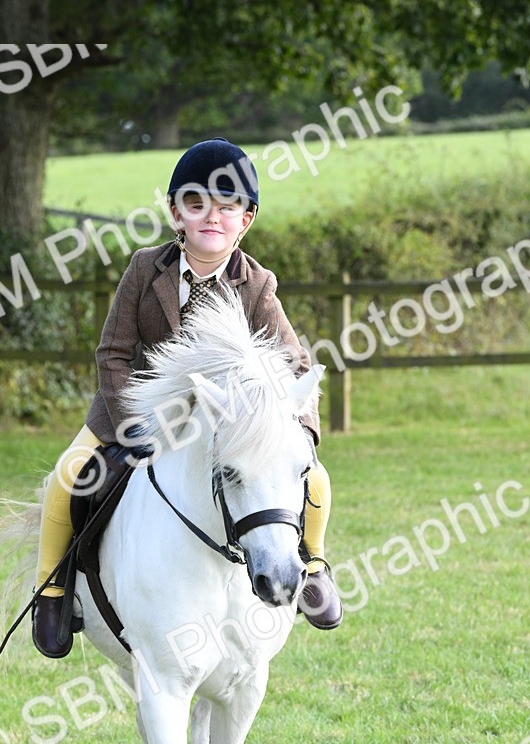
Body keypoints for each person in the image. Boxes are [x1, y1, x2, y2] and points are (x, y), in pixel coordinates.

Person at [32, 138, 343, 658]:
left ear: (246, 221)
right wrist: (132, 425)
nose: (211, 218)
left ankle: (312, 564)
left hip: (225, 422)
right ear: (176, 213)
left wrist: (301, 430)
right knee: (67, 477)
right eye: (197, 205)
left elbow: (296, 365)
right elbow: (112, 352)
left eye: (226, 208)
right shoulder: (142, 269)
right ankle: (52, 589)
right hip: (134, 412)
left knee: (317, 479)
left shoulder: (257, 284)